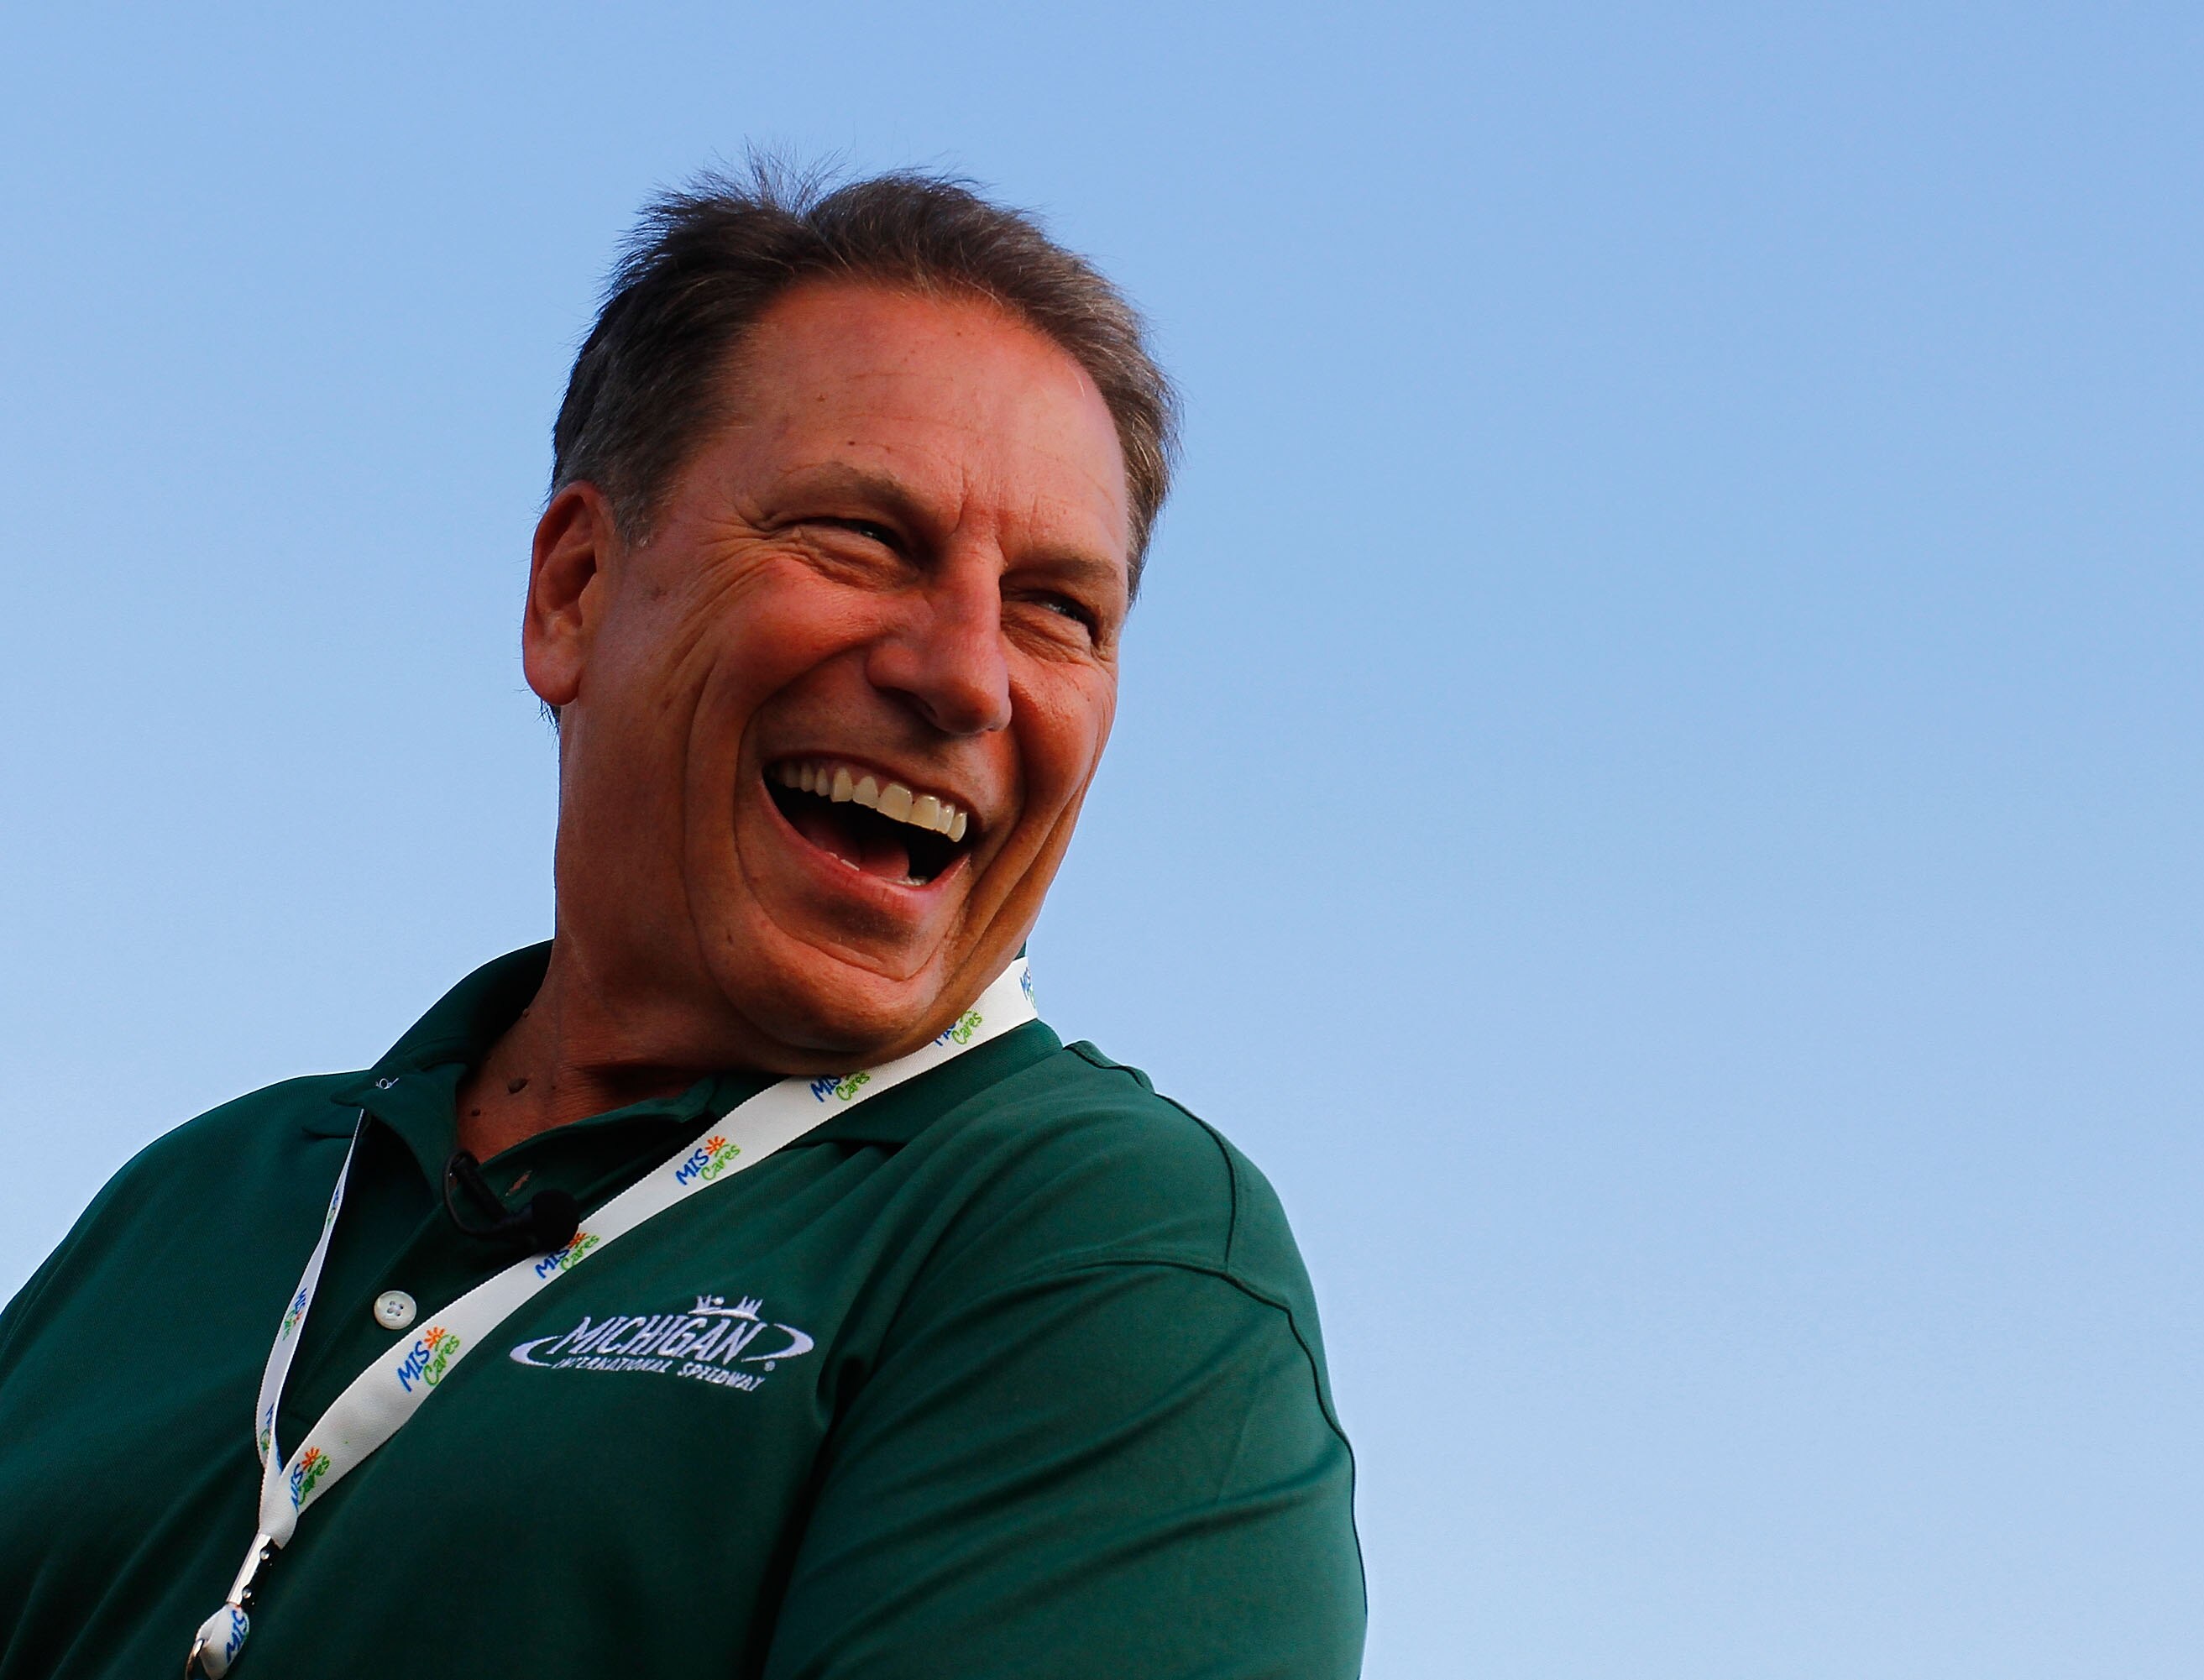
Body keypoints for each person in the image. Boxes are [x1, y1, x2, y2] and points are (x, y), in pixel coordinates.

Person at [0, 165, 1365, 1679]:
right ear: (575, 590)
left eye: (1060, 611)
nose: (970, 675)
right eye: (862, 537)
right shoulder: (203, 1193)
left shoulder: (1107, 1251)